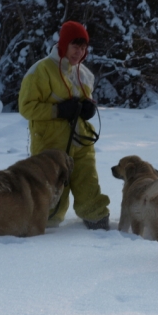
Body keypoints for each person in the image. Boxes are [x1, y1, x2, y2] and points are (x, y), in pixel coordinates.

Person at [18, 21, 110, 230]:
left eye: (83, 47)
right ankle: (42, 229)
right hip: (50, 144)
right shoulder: (40, 71)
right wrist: (57, 111)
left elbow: (86, 100)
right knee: (49, 190)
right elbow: (26, 108)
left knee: (88, 181)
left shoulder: (84, 74)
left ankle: (98, 220)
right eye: (75, 46)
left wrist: (88, 109)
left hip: (82, 140)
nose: (80, 52)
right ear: (64, 45)